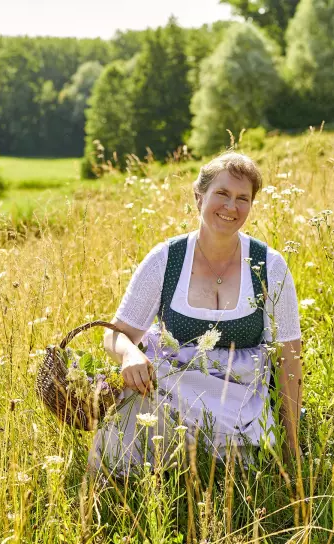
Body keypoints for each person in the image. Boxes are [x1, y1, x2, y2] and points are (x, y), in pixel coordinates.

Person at [90, 152, 303, 476]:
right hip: (168, 395)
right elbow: (115, 334)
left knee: (227, 481)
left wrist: (292, 446)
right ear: (198, 196)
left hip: (239, 402)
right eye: (222, 194)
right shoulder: (167, 259)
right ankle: (116, 492)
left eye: (242, 198)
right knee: (133, 428)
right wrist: (130, 354)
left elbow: (289, 358)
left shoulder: (269, 266)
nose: (231, 207)